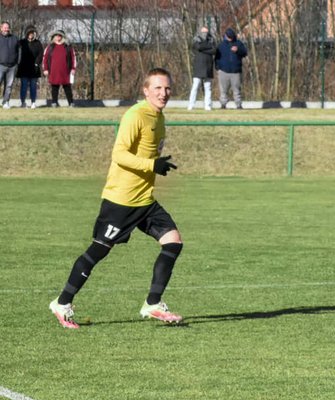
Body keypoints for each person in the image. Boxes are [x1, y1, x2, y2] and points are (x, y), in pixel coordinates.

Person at [49, 68, 185, 330]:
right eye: (157, 88)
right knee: (99, 250)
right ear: (145, 90)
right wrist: (151, 165)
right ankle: (62, 303)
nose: (163, 93)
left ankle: (153, 304)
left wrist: (155, 166)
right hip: (121, 201)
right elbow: (119, 154)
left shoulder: (160, 117)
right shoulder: (135, 115)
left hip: (144, 200)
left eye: (166, 88)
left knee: (173, 242)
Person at [215, 28, 247, 109]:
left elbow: (245, 53)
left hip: (236, 71)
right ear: (225, 36)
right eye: (229, 36)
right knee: (223, 90)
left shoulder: (238, 43)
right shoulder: (221, 45)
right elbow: (217, 57)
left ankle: (238, 104)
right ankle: (223, 104)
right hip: (223, 71)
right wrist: (218, 68)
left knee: (237, 90)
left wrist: (238, 50)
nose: (230, 38)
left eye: (231, 36)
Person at [42, 30, 75, 107]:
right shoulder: (50, 47)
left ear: (62, 37)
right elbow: (45, 59)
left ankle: (71, 103)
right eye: (56, 35)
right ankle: (54, 102)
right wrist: (45, 69)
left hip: (65, 71)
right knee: (54, 87)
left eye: (60, 35)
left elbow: (73, 58)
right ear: (54, 37)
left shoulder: (68, 47)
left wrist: (73, 68)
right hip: (53, 71)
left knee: (67, 87)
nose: (58, 37)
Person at [187, 26, 216, 110]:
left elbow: (214, 50)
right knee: (195, 86)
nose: (205, 34)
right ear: (200, 32)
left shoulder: (212, 39)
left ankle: (208, 105)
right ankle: (191, 105)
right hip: (198, 66)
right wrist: (208, 47)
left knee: (208, 87)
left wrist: (203, 49)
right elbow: (198, 47)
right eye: (203, 32)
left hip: (208, 66)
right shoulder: (196, 39)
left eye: (206, 32)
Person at [16, 25, 43, 109]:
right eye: (29, 33)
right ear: (26, 34)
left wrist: (37, 63)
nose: (31, 35)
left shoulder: (38, 43)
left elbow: (40, 54)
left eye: (32, 33)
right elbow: (16, 52)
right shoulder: (21, 42)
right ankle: (23, 102)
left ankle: (33, 102)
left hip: (34, 68)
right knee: (24, 86)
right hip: (23, 68)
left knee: (33, 86)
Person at [0, 21, 17, 109]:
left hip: (12, 66)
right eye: (5, 27)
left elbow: (19, 50)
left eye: (7, 27)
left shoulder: (14, 38)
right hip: (1, 65)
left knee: (9, 86)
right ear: (1, 28)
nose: (6, 29)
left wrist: (18, 61)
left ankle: (5, 102)